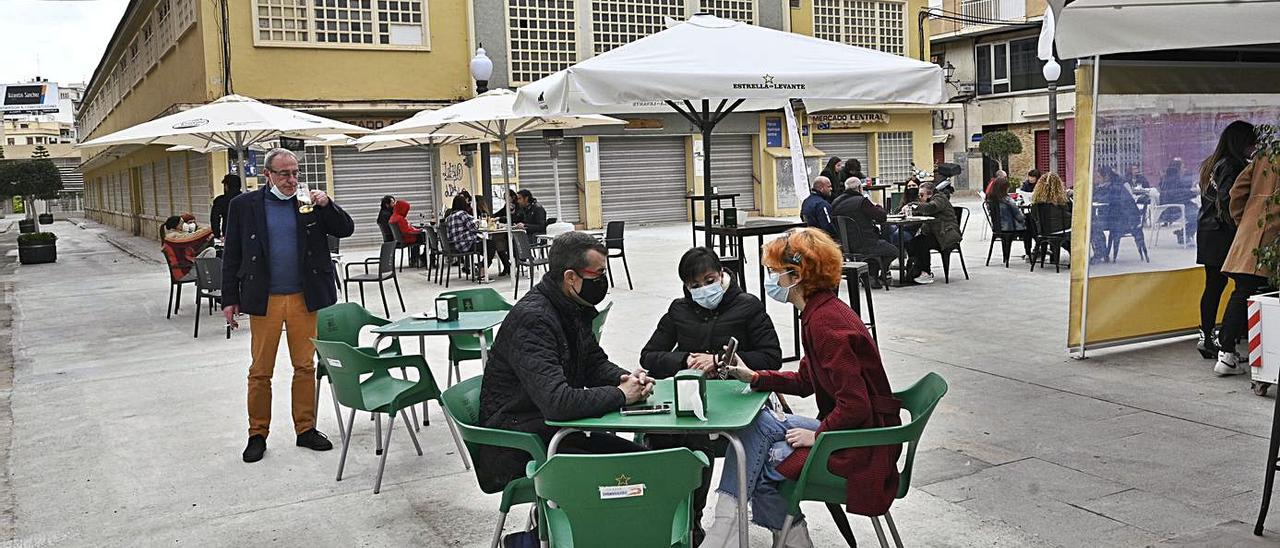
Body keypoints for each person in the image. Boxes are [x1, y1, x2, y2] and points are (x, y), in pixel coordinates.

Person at [701, 227, 901, 548]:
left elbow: (855, 404)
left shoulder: (824, 323)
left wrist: (818, 436)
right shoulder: (819, 311)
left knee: (764, 461)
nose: (770, 279)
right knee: (758, 426)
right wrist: (754, 377)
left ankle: (740, 533)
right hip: (858, 428)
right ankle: (730, 528)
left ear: (795, 275)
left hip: (862, 440)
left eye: (773, 272)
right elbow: (808, 381)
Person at [476, 231, 654, 493]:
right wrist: (619, 395)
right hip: (520, 448)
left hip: (552, 432)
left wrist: (625, 379)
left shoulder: (571, 307)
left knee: (654, 463)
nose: (603, 281)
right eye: (598, 274)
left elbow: (593, 363)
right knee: (640, 474)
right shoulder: (534, 320)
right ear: (571, 277)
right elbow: (557, 403)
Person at [638, 247, 782, 543]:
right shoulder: (679, 310)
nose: (704, 289)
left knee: (698, 439)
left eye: (709, 280)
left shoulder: (748, 306)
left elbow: (771, 357)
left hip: (737, 399)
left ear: (722, 275)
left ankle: (696, 519)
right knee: (658, 436)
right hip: (692, 397)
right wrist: (685, 360)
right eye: (695, 285)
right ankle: (670, 516)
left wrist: (720, 362)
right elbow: (649, 356)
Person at [221, 148, 354, 463]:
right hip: (264, 299)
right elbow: (232, 254)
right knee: (260, 371)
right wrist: (229, 298)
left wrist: (328, 205)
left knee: (305, 367)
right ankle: (257, 434)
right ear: (267, 175)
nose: (292, 179)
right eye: (284, 173)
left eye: (295, 172)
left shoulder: (309, 203)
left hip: (303, 298)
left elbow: (345, 229)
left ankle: (305, 429)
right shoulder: (244, 206)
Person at [1196, 121, 1257, 360]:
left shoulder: (1211, 163)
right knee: (1244, 286)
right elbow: (1230, 201)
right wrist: (1241, 226)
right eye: (1251, 142)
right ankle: (1225, 342)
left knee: (1214, 286)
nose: (1253, 147)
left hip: (1208, 232)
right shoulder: (1232, 165)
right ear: (1240, 142)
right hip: (1223, 234)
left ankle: (1207, 336)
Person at [1214, 135, 1272, 376]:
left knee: (1242, 290)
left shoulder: (1265, 156)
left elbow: (1237, 191)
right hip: (1269, 238)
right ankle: (1228, 354)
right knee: (1251, 291)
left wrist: (1244, 220)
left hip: (1251, 231)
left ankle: (1226, 352)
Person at [831, 176, 898, 284]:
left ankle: (870, 274)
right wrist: (878, 206)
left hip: (846, 244)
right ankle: (875, 274)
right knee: (893, 251)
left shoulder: (835, 202)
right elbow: (881, 217)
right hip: (866, 242)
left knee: (880, 248)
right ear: (859, 188)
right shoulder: (862, 202)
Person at [906, 182, 962, 284]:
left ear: (930, 194)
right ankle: (915, 269)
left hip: (946, 235)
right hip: (936, 234)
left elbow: (932, 207)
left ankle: (926, 272)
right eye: (919, 195)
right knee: (913, 242)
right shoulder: (928, 201)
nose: (920, 197)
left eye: (922, 195)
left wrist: (914, 206)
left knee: (922, 243)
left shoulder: (939, 198)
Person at [985, 177, 1033, 260]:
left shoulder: (990, 200)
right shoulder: (1008, 200)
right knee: (1030, 226)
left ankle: (1005, 257)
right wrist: (1025, 217)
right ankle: (1029, 253)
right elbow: (1019, 217)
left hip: (997, 228)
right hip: (1010, 228)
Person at [161, 212, 214, 280]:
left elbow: (192, 248)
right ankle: (207, 277)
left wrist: (206, 240)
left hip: (186, 266)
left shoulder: (174, 236)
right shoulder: (173, 237)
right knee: (212, 253)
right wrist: (210, 229)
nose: (184, 225)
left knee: (210, 250)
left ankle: (207, 276)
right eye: (182, 223)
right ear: (176, 225)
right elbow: (193, 237)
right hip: (183, 272)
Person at [388, 199, 425, 267]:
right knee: (424, 238)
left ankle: (415, 259)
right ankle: (423, 259)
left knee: (419, 238)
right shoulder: (400, 219)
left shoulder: (393, 217)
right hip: (407, 239)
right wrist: (419, 231)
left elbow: (405, 228)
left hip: (400, 239)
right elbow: (407, 231)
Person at [210, 174, 242, 239]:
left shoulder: (221, 201)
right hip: (246, 234)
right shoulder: (247, 199)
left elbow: (214, 219)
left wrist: (217, 235)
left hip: (229, 234)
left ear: (227, 186)